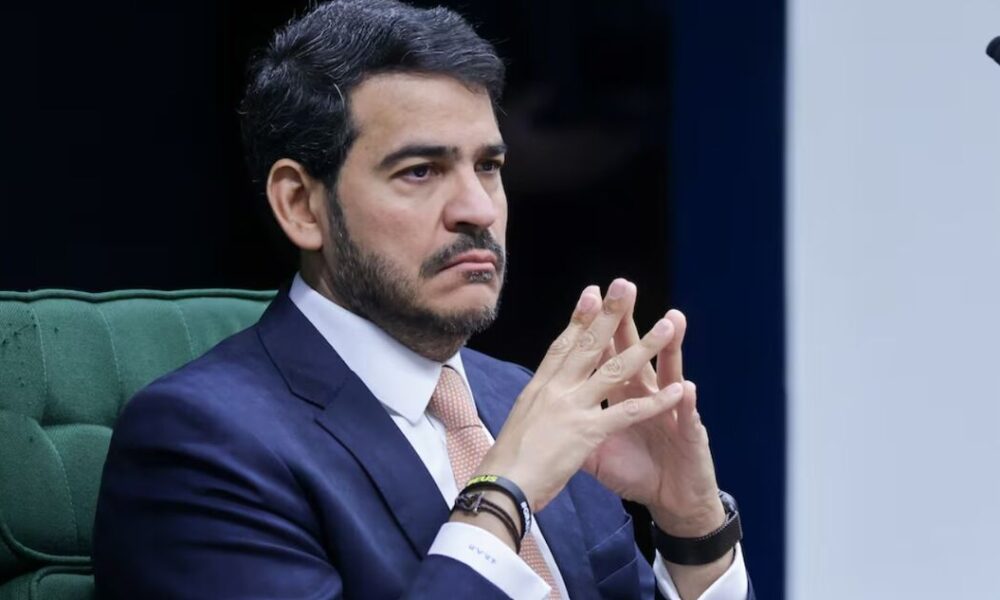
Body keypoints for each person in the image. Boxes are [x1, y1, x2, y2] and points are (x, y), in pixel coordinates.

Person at [92, 1, 754, 598]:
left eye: (488, 166)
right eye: (420, 171)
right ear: (301, 206)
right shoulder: (200, 443)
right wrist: (502, 492)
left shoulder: (529, 403)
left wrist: (692, 527)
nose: (477, 209)